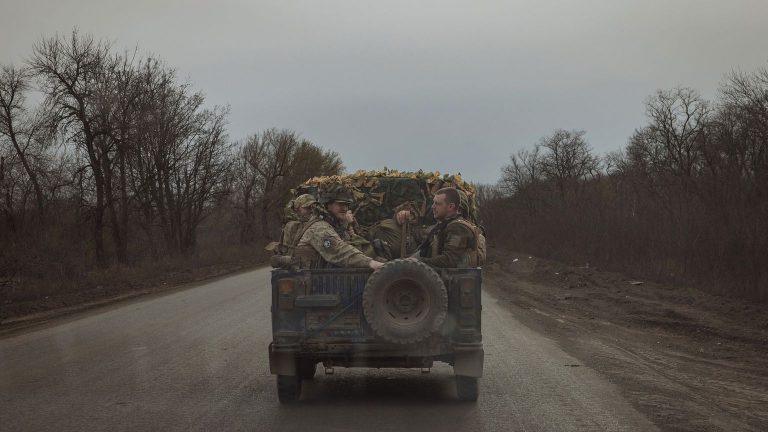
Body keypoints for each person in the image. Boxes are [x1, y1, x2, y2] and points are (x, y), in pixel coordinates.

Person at [292, 186, 384, 270]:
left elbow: (355, 245)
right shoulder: (319, 228)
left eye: (346, 205)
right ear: (327, 205)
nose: (345, 208)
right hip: (311, 281)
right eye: (340, 204)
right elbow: (339, 251)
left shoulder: (335, 225)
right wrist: (371, 263)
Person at [417, 187, 481, 268]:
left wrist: (418, 262)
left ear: (451, 206)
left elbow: (449, 260)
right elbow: (423, 250)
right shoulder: (443, 225)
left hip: (454, 279)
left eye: (437, 204)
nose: (433, 207)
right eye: (433, 203)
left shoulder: (458, 228)